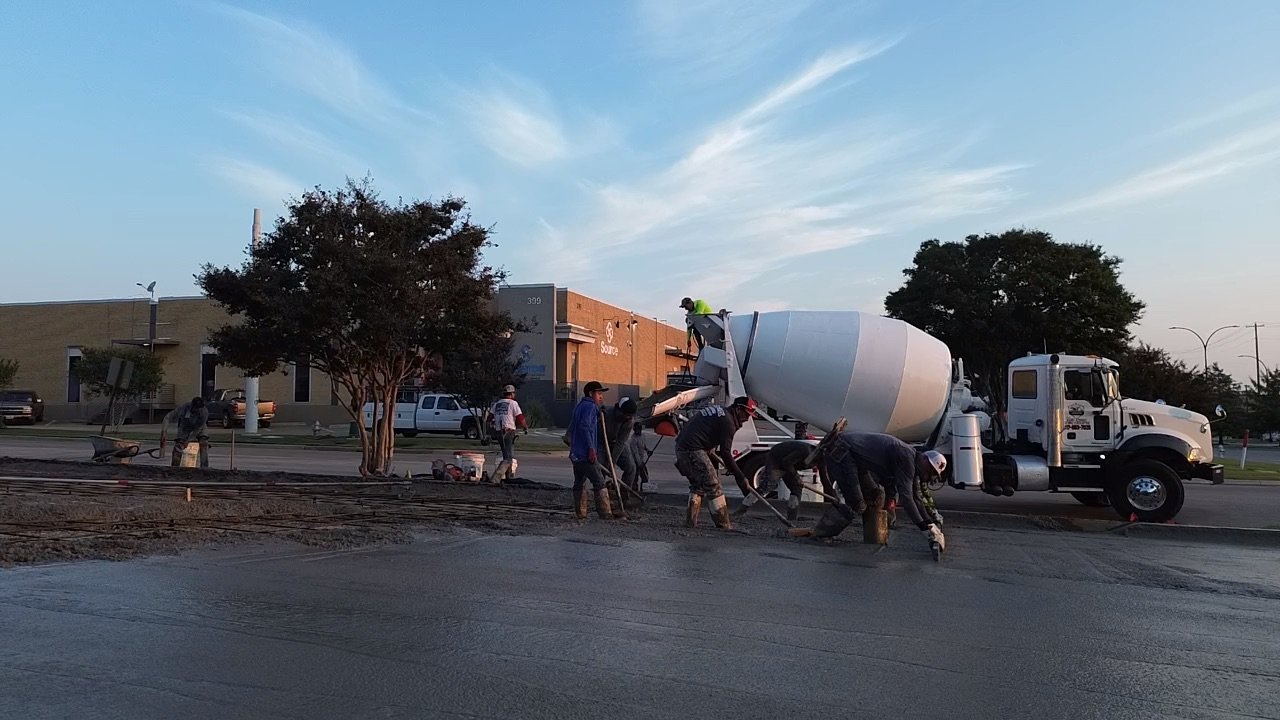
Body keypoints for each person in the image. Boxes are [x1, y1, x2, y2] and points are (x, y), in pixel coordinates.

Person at [814, 431, 948, 555]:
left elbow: (916, 498)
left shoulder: (912, 460)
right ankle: (821, 534)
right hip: (843, 452)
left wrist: (931, 525)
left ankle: (872, 537)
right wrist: (924, 529)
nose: (928, 475)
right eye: (930, 470)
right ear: (924, 459)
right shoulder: (906, 457)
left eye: (932, 474)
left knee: (876, 495)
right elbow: (906, 499)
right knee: (857, 504)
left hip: (856, 460)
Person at [674, 396, 756, 529]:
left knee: (698, 484)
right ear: (738, 409)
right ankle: (723, 523)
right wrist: (740, 477)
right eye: (746, 414)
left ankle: (690, 521)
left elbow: (706, 429)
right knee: (713, 484)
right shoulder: (728, 422)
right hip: (692, 449)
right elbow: (725, 453)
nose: (747, 419)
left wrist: (709, 447)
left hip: (683, 447)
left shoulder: (723, 413)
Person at [734, 439, 836, 523]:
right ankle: (740, 512)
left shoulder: (822, 460)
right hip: (777, 459)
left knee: (796, 489)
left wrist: (834, 499)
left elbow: (825, 480)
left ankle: (792, 518)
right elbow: (786, 462)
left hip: (789, 464)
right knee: (767, 486)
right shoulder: (806, 451)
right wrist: (796, 477)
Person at [567, 381, 617, 520]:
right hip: (584, 453)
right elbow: (585, 427)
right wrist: (590, 448)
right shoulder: (590, 406)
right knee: (599, 481)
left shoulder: (579, 406)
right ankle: (605, 513)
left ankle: (580, 513)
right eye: (599, 394)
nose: (601, 397)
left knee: (579, 482)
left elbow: (573, 428)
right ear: (591, 394)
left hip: (576, 454)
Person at [601, 397, 640, 508]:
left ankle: (624, 498)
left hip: (617, 443)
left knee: (631, 468)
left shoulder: (629, 421)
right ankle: (602, 499)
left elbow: (620, 442)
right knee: (601, 470)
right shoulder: (606, 414)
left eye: (630, 416)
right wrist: (607, 463)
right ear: (619, 410)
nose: (627, 417)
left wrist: (612, 462)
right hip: (601, 442)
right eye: (626, 414)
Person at [489, 384, 527, 482]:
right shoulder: (513, 403)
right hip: (508, 431)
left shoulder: (497, 404)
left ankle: (508, 477)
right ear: (511, 394)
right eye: (514, 393)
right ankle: (496, 478)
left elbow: (489, 417)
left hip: (499, 432)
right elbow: (520, 417)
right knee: (509, 457)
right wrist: (525, 427)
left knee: (506, 454)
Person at [161, 396, 210, 468]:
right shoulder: (183, 408)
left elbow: (198, 429)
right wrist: (164, 431)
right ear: (192, 406)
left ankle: (204, 467)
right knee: (178, 446)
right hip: (185, 427)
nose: (198, 410)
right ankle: (174, 467)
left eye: (199, 408)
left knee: (203, 443)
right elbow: (168, 417)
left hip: (199, 428)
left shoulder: (204, 412)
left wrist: (188, 440)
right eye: (196, 408)